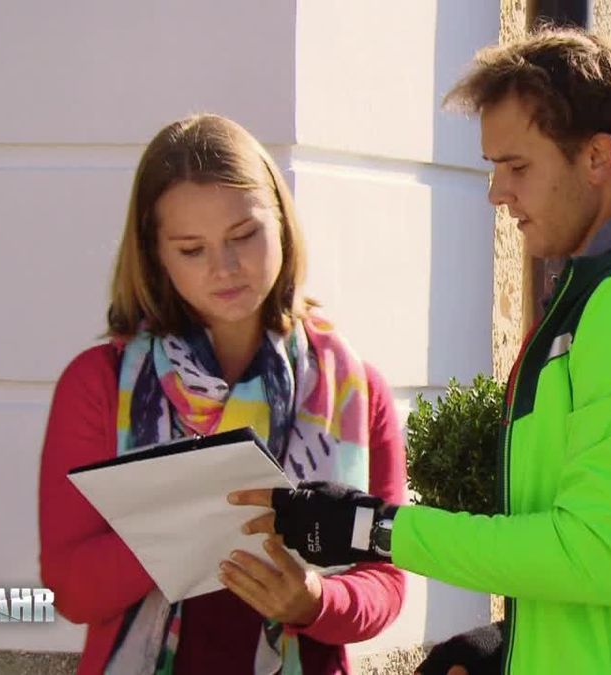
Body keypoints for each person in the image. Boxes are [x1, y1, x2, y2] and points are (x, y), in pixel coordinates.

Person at [230, 28, 611, 674]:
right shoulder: (605, 290)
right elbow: (600, 547)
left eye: (517, 166)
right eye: (492, 167)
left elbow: (590, 553)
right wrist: (510, 647)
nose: (496, 193)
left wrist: (371, 527)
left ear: (597, 158)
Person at [38, 113, 407, 675]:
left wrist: (313, 601)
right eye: (192, 249)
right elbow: (70, 589)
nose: (226, 268)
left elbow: (386, 578)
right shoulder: (97, 385)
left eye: (244, 236)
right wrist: (192, 528)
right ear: (155, 253)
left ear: (281, 223)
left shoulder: (353, 387)